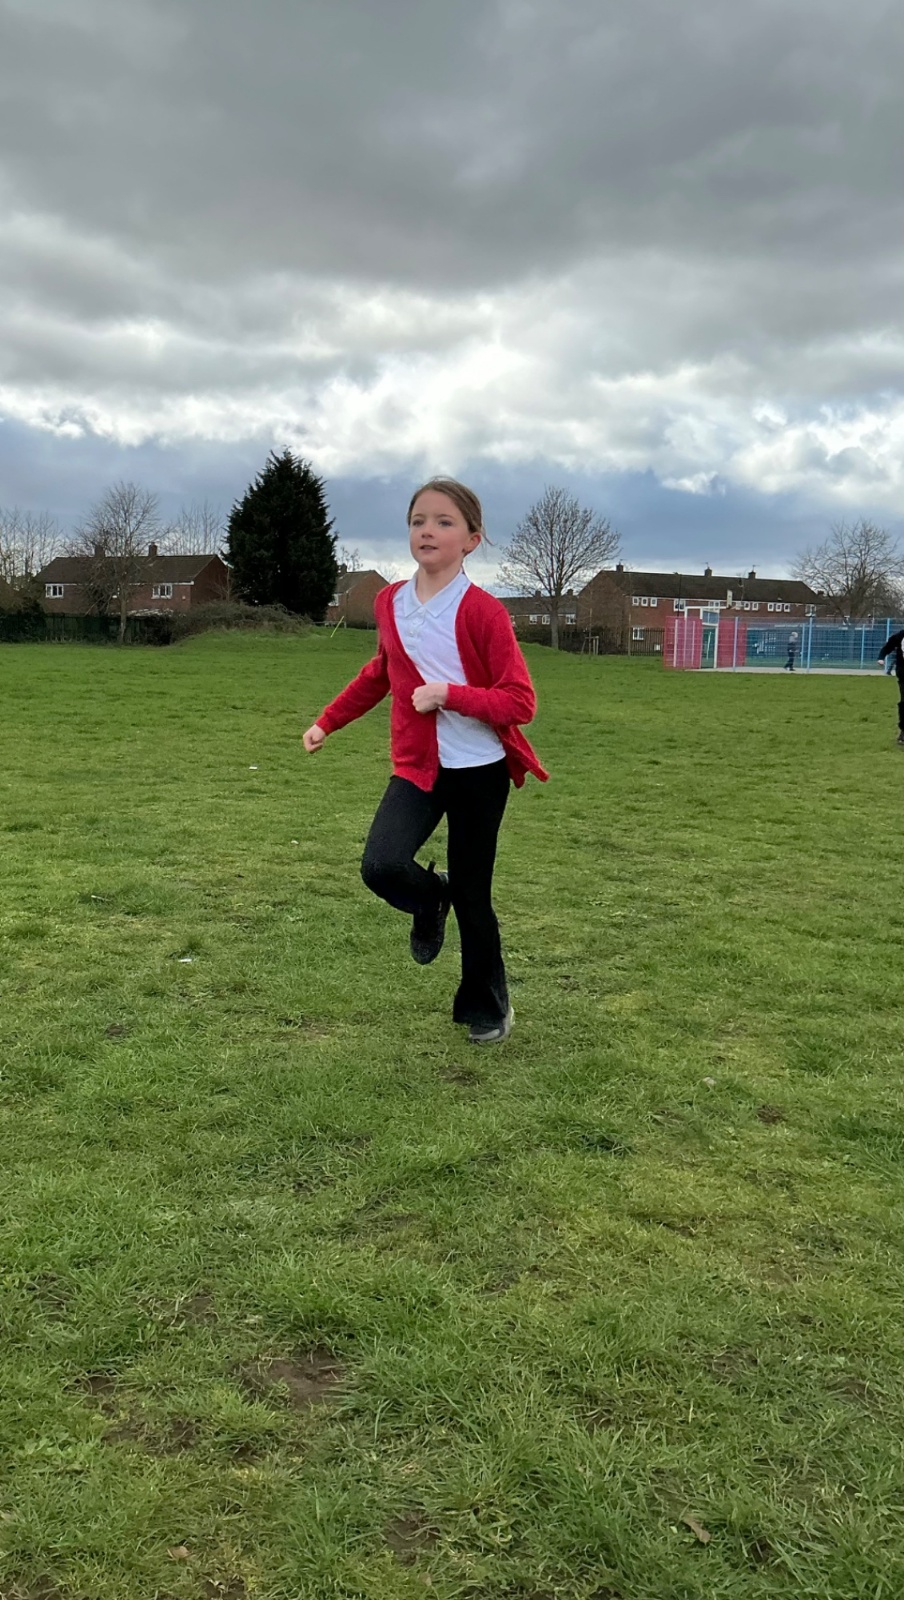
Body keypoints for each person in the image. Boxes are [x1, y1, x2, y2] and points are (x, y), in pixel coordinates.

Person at [302, 478, 548, 1044]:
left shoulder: (483, 612)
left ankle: (486, 1007)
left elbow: (520, 702)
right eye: (418, 521)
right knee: (381, 865)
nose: (427, 531)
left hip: (480, 771)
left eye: (443, 522)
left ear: (472, 540)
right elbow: (380, 673)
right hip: (419, 768)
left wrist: (448, 695)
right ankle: (431, 897)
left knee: (475, 897)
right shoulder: (390, 601)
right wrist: (327, 722)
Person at [877, 629, 904, 745]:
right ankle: (903, 732)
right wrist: (881, 657)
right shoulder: (901, 635)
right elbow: (888, 646)